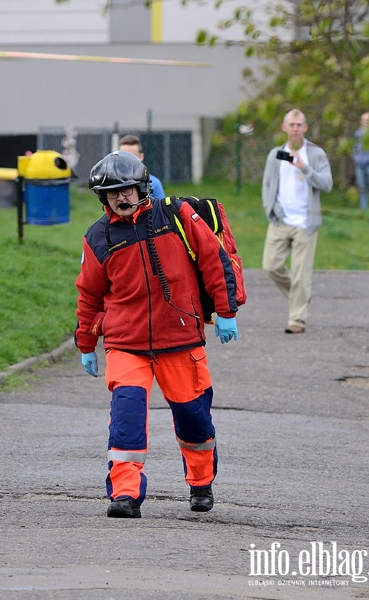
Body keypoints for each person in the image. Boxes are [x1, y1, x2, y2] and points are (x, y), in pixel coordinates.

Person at [75, 150, 239, 519]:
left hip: (180, 339)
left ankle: (200, 483)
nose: (121, 197)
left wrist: (226, 312)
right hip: (126, 343)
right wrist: (86, 343)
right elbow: (89, 294)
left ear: (141, 187)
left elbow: (214, 258)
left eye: (127, 189)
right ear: (103, 198)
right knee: (126, 418)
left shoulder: (177, 216)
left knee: (194, 419)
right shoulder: (98, 237)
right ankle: (125, 494)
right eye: (112, 193)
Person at [261, 109, 333, 334]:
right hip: (281, 220)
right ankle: (300, 296)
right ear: (284, 128)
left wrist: (305, 168)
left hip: (305, 222)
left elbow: (327, 184)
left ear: (305, 128)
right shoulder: (276, 154)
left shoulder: (315, 154)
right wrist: (270, 208)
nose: (295, 128)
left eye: (299, 124)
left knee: (302, 274)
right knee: (271, 266)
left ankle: (297, 320)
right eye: (291, 124)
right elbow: (267, 185)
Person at [118, 134, 165, 199]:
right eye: (124, 156)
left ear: (141, 157)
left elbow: (160, 208)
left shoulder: (154, 184)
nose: (128, 161)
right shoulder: (113, 183)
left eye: (133, 156)